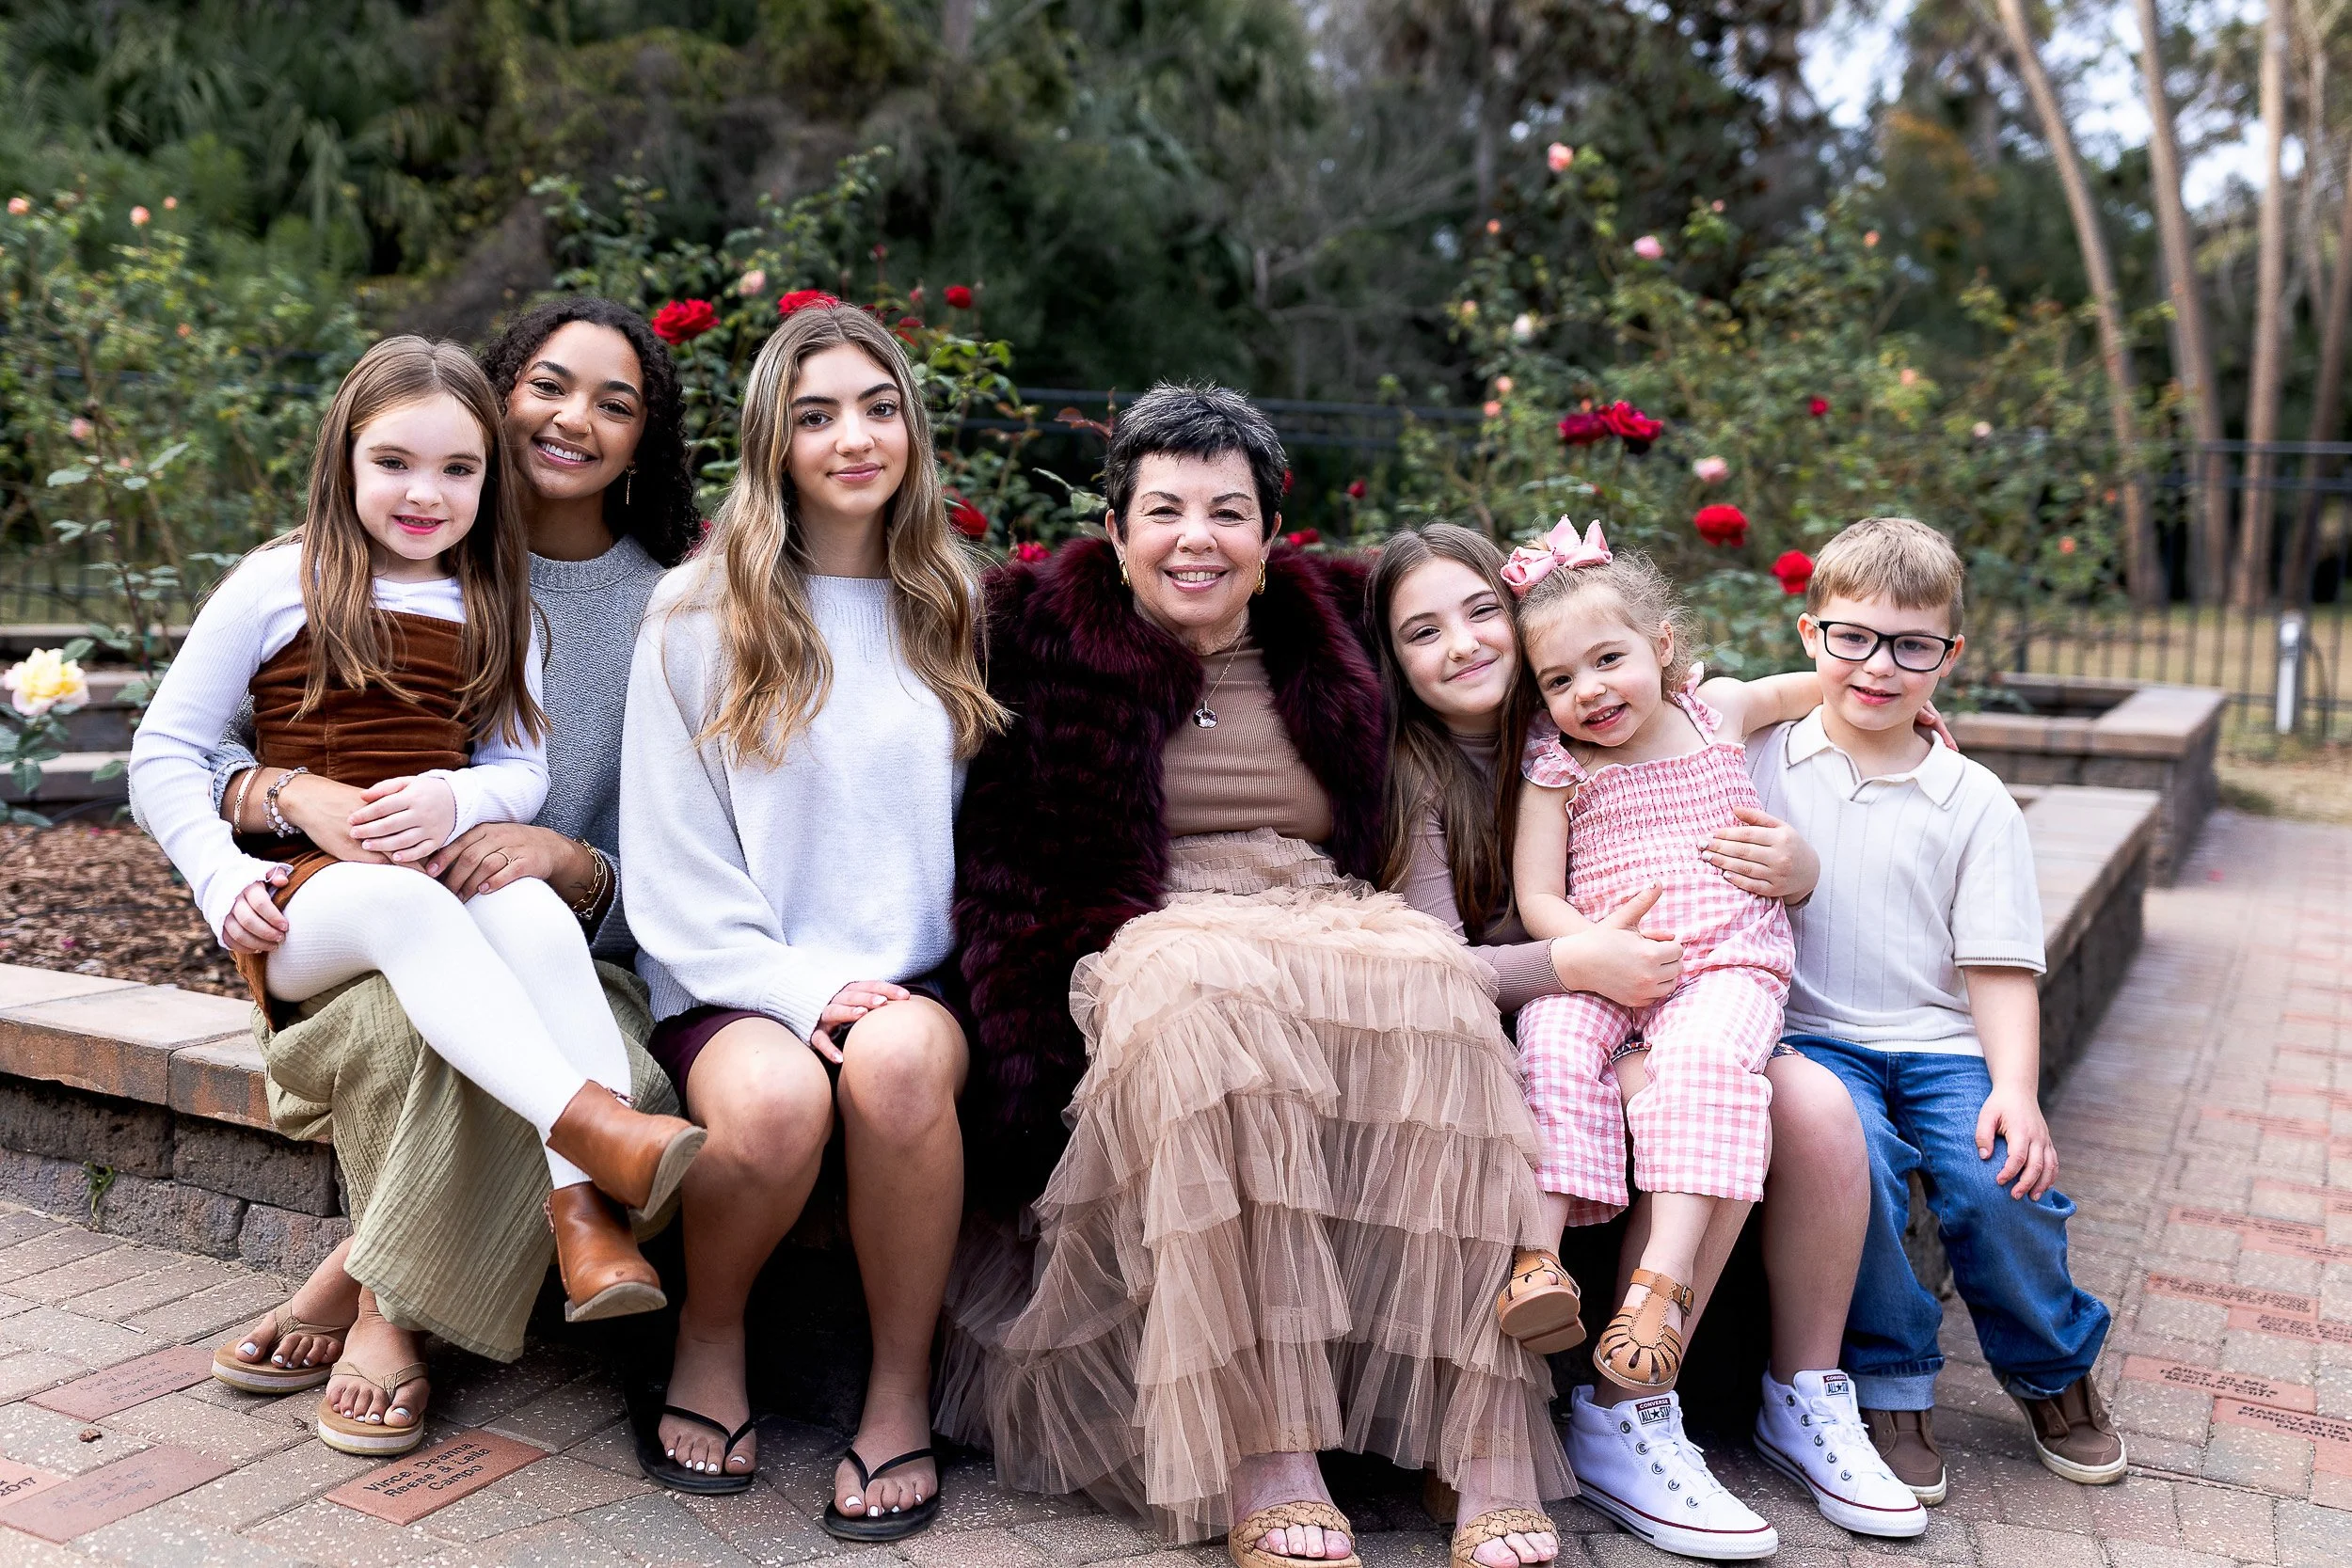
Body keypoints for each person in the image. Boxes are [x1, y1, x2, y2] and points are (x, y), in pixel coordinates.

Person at [946, 385, 1566, 1568]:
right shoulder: (1023, 626)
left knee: (1436, 990)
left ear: (1272, 532)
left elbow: (1550, 636)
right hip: (1147, 910)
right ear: (1116, 528)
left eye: (1228, 511)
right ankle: (1266, 1445)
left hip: (1320, 899)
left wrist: (1794, 704)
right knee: (1203, 1011)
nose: (1197, 538)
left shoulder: (1337, 614)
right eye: (1165, 510)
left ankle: (1475, 1440)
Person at [129, 335, 705, 1456]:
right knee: (413, 910)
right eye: (394, 463)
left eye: (457, 470)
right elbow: (165, 749)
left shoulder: (499, 602)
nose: (424, 493)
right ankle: (596, 1128)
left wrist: (453, 800)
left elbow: (518, 769)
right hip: (309, 906)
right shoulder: (278, 580)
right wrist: (223, 873)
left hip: (447, 879)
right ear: (342, 461)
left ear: (491, 478)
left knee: (531, 913)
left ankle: (588, 1216)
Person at [1372, 524, 1925, 1559]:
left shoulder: (1689, 715)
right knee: (1590, 1055)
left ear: (1661, 646)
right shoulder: (1472, 772)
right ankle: (1591, 1347)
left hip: (1704, 980)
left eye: (1481, 611)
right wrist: (1583, 961)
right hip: (1559, 993)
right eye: (1421, 630)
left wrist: (1882, 713)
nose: (1463, 643)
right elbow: (1489, 937)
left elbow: (1807, 685)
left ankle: (1768, 1376)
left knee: (1797, 1103)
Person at [620, 302, 994, 1530]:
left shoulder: (953, 605)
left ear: (913, 432)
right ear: (772, 441)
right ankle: (710, 1333)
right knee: (776, 1100)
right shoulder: (695, 611)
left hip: (915, 981)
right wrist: (795, 990)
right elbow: (670, 855)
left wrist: (896, 990)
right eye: (818, 413)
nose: (854, 437)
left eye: (880, 408)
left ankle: (896, 1394)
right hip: (736, 978)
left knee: (891, 1071)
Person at [1755, 517, 2122, 1501]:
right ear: (1808, 635)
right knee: (1860, 1169)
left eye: (1911, 645)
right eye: (1852, 637)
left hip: (1940, 1045)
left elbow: (1999, 965)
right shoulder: (1757, 763)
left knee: (1998, 1178)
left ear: (1947, 657)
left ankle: (2053, 1371)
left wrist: (2014, 1088)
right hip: (1812, 1042)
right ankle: (1891, 1386)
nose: (1878, 666)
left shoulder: (1972, 800)